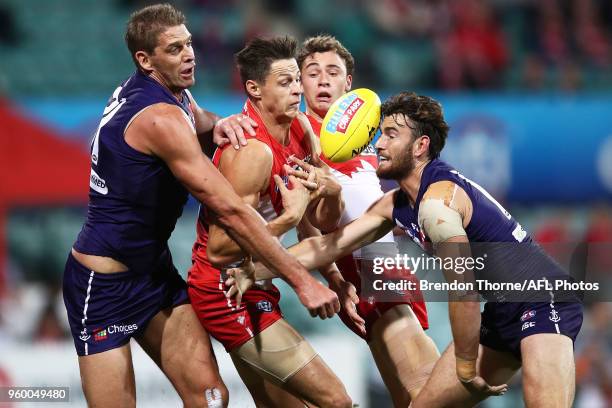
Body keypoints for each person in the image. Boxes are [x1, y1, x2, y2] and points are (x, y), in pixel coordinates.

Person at [228, 91, 583, 407]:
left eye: (390, 135)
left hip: (543, 297)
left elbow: (464, 292)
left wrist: (463, 366)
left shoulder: (438, 205)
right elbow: (326, 247)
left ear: (420, 146)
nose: (378, 144)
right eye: (380, 134)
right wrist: (255, 270)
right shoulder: (396, 203)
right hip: (502, 309)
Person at [62, 5, 338, 408]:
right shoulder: (157, 118)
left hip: (153, 274)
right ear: (145, 60)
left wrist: (220, 123)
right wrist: (304, 281)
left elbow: (196, 117)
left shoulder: (169, 91)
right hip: (101, 285)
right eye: (174, 49)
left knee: (211, 398)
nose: (189, 54)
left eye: (188, 43)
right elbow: (231, 212)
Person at [187, 36, 353, 408]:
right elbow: (219, 250)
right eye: (285, 82)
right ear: (254, 89)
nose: (298, 90)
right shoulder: (250, 153)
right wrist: (288, 219)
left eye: (297, 80)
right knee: (336, 401)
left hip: (259, 277)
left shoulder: (300, 130)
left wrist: (331, 192)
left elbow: (319, 221)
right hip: (224, 289)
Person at [296, 35, 439, 406]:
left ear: (348, 84)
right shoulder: (300, 140)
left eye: (333, 72)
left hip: (380, 264)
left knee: (408, 396)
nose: (323, 80)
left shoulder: (358, 140)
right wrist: (337, 278)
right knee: (432, 389)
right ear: (299, 82)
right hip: (371, 269)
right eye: (313, 73)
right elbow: (313, 221)